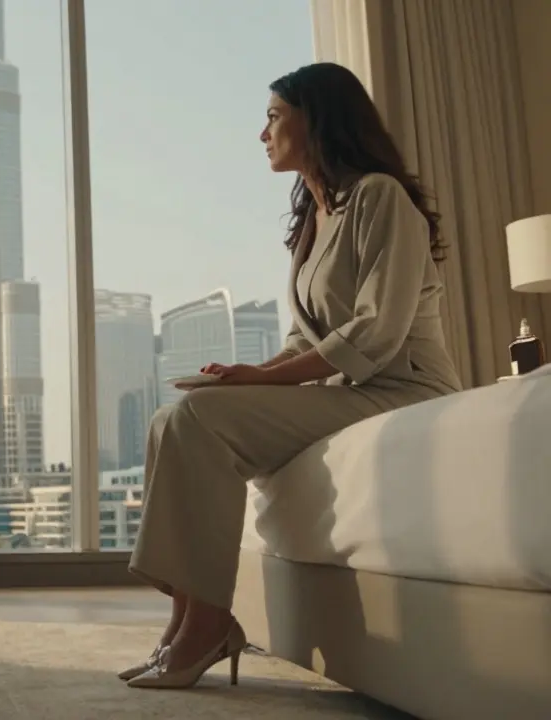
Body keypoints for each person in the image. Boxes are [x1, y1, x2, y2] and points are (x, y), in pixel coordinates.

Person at [117, 62, 463, 690]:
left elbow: (373, 331)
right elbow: (308, 337)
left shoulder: (380, 197)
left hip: (403, 392)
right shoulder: (315, 218)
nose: (262, 133)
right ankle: (185, 618)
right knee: (177, 413)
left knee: (195, 419)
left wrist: (268, 382)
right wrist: (251, 374)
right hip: (350, 391)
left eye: (274, 117)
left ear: (318, 119)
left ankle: (211, 621)